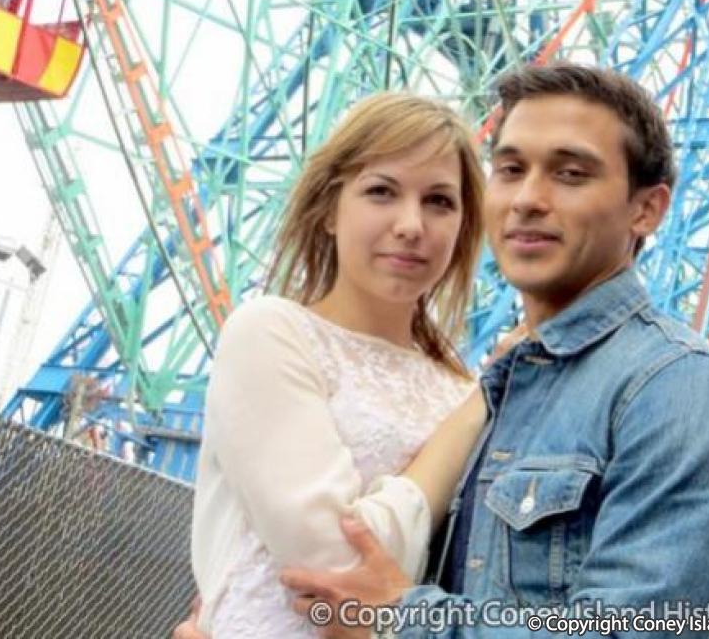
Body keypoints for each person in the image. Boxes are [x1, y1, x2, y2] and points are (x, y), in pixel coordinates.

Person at [277, 62, 709, 638]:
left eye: (570, 174)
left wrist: (400, 618)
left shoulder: (682, 390)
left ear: (646, 209)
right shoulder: (501, 386)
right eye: (510, 170)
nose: (528, 199)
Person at [190, 92, 508, 637]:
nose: (411, 224)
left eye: (439, 201)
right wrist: (476, 408)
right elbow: (337, 568)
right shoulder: (270, 333)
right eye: (381, 191)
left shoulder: (461, 391)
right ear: (328, 210)